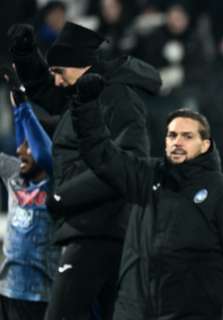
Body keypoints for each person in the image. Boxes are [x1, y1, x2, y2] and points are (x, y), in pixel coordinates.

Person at [70, 75, 223, 319]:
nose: (177, 142)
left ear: (205, 145)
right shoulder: (146, 177)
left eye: (187, 136)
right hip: (134, 311)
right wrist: (86, 107)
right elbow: (101, 156)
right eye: (172, 135)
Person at [6, 22, 161, 319]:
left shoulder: (118, 98)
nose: (58, 82)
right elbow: (48, 92)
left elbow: (129, 162)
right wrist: (26, 55)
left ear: (81, 65)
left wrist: (64, 197)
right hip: (97, 227)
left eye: (59, 73)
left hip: (99, 229)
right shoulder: (86, 92)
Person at [0, 67, 60, 320]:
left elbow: (42, 150)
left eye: (28, 146)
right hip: (7, 290)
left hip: (42, 294)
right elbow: (26, 141)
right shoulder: (14, 174)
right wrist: (16, 100)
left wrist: (23, 105)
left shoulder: (57, 182)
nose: (21, 151)